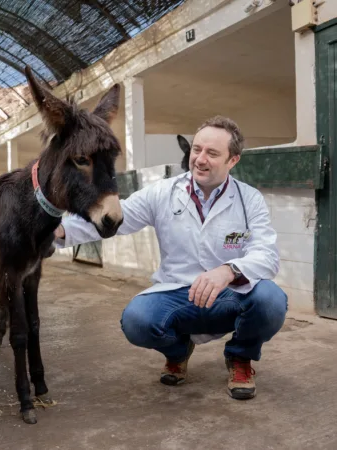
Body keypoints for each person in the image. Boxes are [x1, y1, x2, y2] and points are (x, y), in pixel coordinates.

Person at [54, 116, 287, 400]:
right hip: (179, 295)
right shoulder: (164, 192)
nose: (200, 159)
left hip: (229, 294)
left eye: (212, 153)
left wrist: (228, 270)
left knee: (271, 299)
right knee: (137, 320)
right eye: (197, 149)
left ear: (233, 160)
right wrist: (60, 230)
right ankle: (178, 352)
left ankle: (240, 358)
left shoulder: (249, 199)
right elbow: (118, 217)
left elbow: (267, 254)